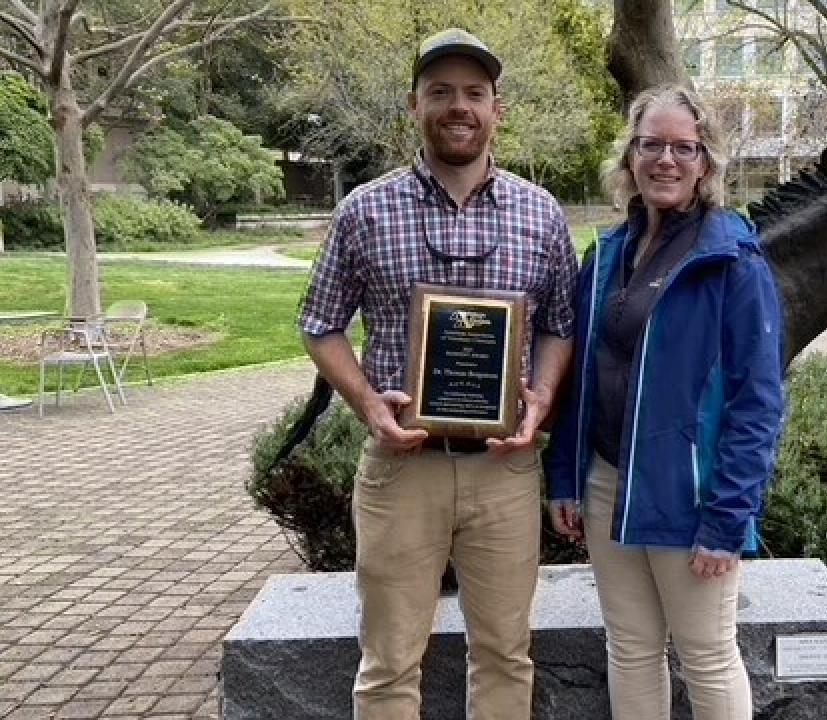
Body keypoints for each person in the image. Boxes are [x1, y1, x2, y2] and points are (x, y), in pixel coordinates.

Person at [296, 27, 578, 720]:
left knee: (506, 656)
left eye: (475, 94)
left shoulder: (540, 212)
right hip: (401, 470)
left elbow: (560, 326)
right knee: (389, 662)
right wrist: (367, 404)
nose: (460, 107)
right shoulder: (364, 208)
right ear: (414, 105)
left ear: (496, 108)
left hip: (504, 472)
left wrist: (539, 400)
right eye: (441, 92)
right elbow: (319, 323)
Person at [544, 84, 785, 720]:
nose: (666, 160)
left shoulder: (733, 261)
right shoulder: (604, 257)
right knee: (629, 647)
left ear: (706, 162)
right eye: (652, 145)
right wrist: (564, 476)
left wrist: (729, 517)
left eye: (684, 147)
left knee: (706, 653)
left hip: (691, 494)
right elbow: (580, 376)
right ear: (630, 157)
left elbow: (756, 402)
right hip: (605, 484)